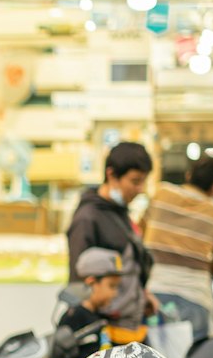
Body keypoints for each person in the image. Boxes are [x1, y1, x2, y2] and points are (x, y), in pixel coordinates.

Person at [66, 142, 157, 340]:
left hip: (131, 326)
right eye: (135, 181)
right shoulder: (88, 218)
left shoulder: (120, 213)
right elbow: (78, 282)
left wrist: (142, 296)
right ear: (112, 175)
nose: (140, 189)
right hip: (107, 333)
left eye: (143, 182)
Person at [143, 155, 213, 344]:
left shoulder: (161, 193)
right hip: (195, 296)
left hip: (154, 293)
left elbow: (142, 233)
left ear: (188, 175)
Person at [51, 248, 125, 358]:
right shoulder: (74, 316)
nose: (115, 293)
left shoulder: (98, 316)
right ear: (92, 282)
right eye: (111, 286)